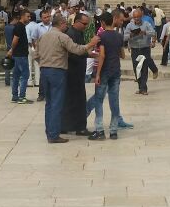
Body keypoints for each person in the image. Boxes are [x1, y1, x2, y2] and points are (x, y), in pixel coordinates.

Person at [37, 14, 101, 143]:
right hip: (57, 71)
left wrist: (44, 63)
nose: (67, 26)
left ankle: (51, 132)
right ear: (61, 24)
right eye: (65, 24)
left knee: (49, 103)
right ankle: (54, 135)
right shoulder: (62, 36)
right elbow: (76, 50)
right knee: (56, 103)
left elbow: (35, 54)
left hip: (45, 71)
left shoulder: (44, 36)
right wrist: (91, 44)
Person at [88, 11, 126, 140]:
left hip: (104, 71)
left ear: (103, 22)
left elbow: (102, 55)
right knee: (114, 100)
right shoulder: (119, 36)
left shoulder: (102, 36)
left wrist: (97, 74)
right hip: (116, 71)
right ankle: (113, 131)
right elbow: (123, 55)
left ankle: (99, 130)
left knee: (99, 100)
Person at [63, 11, 92, 136]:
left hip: (77, 71)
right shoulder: (71, 34)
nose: (86, 26)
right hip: (72, 71)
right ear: (77, 22)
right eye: (84, 24)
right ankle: (79, 127)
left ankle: (68, 126)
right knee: (77, 101)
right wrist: (88, 52)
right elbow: (74, 52)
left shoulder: (78, 33)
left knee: (74, 100)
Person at [124, 7, 154, 95]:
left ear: (141, 16)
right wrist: (131, 35)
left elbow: (153, 33)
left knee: (144, 68)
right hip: (135, 49)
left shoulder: (146, 24)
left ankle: (144, 88)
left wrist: (145, 33)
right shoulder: (129, 26)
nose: (136, 19)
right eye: (135, 17)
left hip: (145, 49)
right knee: (136, 68)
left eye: (138, 17)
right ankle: (140, 87)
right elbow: (124, 37)